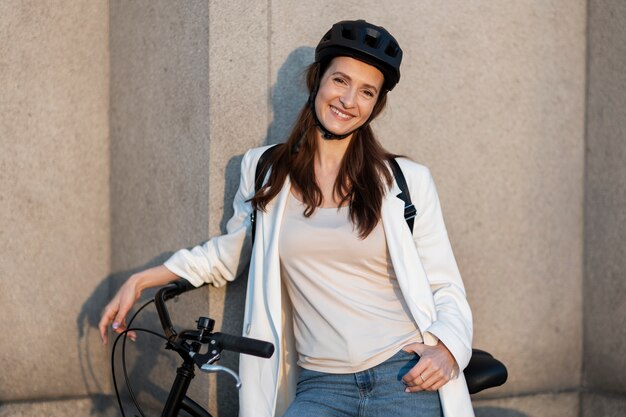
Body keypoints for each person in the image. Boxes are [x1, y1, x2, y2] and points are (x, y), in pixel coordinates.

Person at [99, 19, 474, 417]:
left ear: (375, 105)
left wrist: (447, 349)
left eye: (367, 92)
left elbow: (445, 285)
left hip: (403, 376)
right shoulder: (265, 171)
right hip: (322, 385)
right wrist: (142, 279)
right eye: (340, 81)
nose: (349, 100)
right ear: (317, 81)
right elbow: (231, 252)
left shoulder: (405, 181)